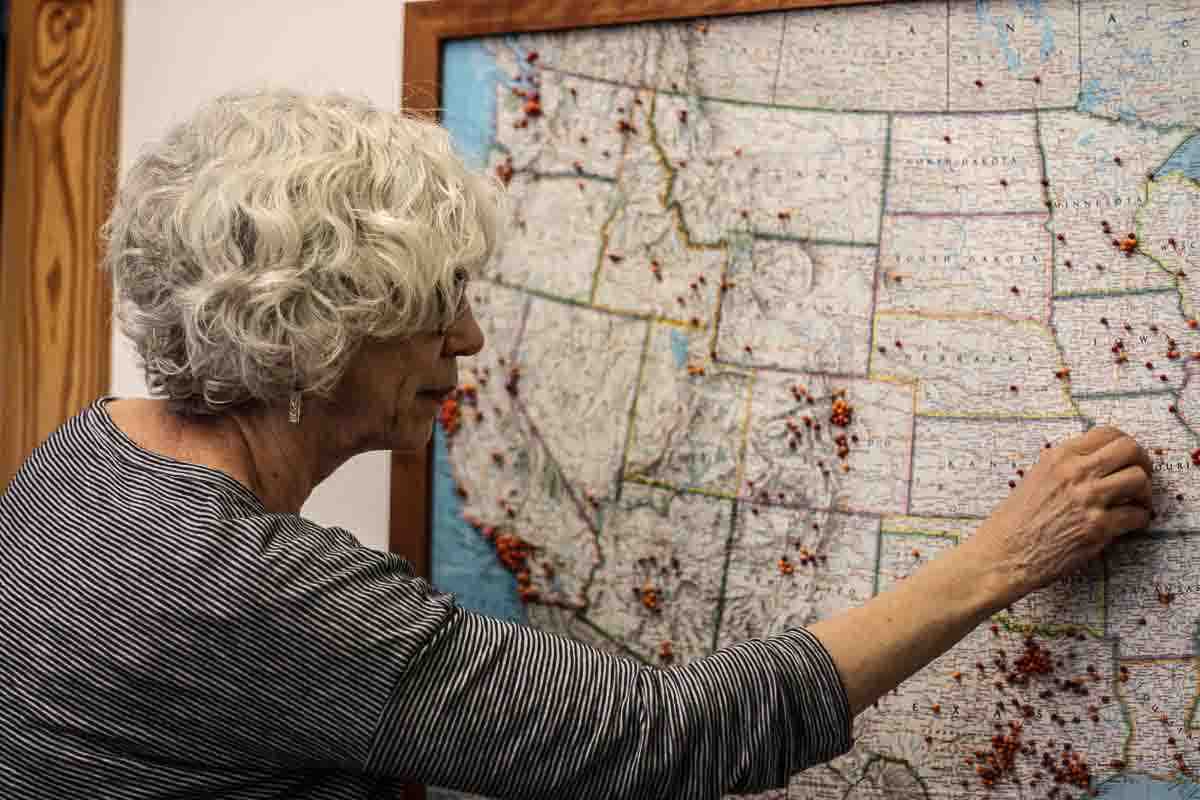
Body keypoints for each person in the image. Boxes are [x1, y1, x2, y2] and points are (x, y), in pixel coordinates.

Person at [0, 88, 1154, 800]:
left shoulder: (81, 458)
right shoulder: (253, 590)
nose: (468, 335)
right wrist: (1003, 556)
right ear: (319, 329)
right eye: (435, 300)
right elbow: (666, 736)